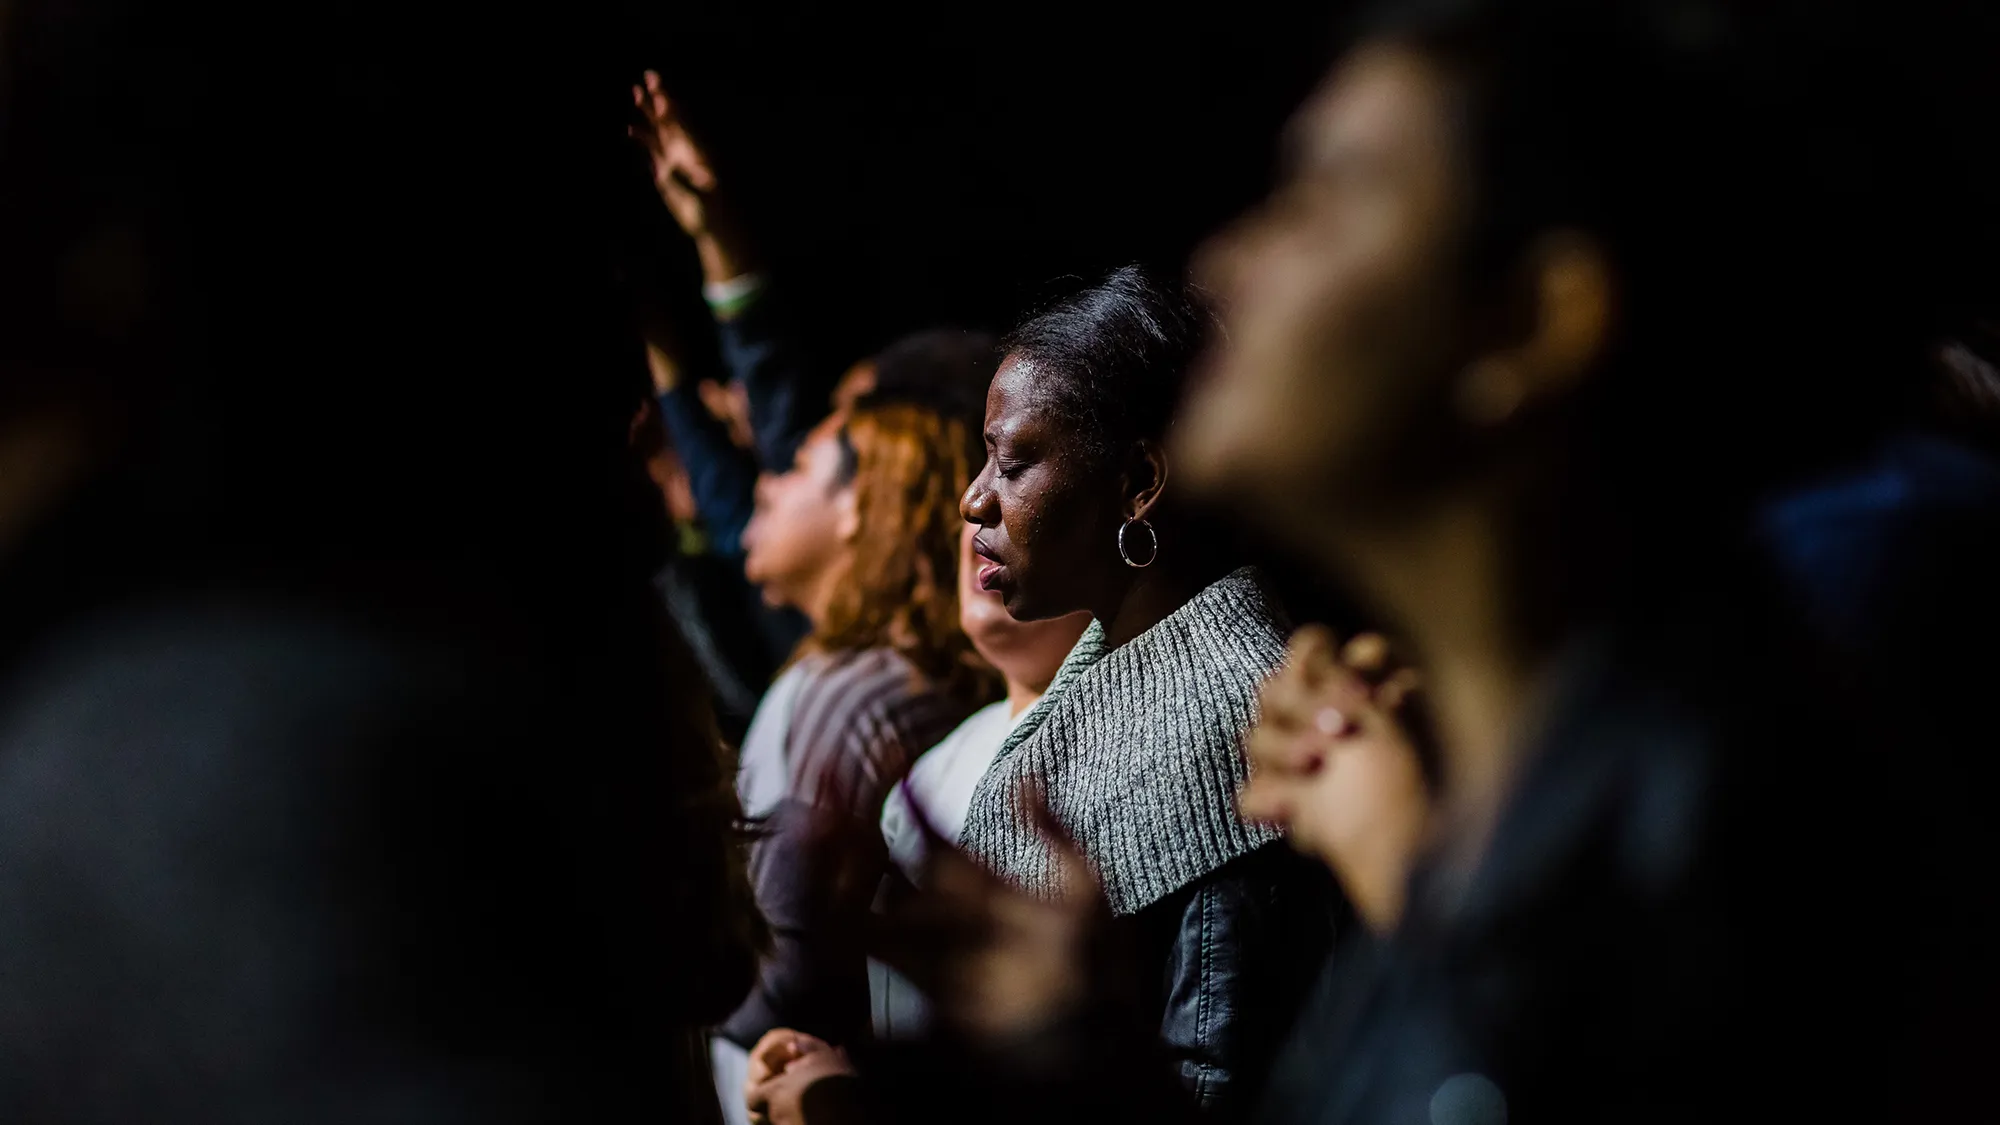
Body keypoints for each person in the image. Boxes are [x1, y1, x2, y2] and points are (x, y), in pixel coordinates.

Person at [0, 0, 764, 1121]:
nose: (646, 521)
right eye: (594, 448)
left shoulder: (180, 726)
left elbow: (698, 945)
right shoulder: (215, 757)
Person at [740, 522, 1091, 1123]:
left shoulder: (1116, 748)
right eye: (976, 478)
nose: (978, 511)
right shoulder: (927, 774)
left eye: (1014, 473)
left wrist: (849, 1107)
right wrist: (834, 1069)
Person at [713, 397, 1000, 1111]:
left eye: (796, 466)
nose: (765, 482)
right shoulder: (887, 675)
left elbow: (788, 942)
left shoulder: (855, 694)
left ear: (858, 505)